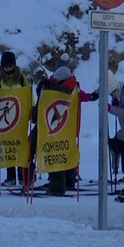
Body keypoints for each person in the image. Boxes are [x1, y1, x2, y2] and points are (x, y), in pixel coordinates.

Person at [33, 64, 100, 194]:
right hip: (69, 127)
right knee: (68, 152)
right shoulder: (72, 87)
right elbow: (83, 96)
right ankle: (69, 180)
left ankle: (61, 183)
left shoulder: (62, 90)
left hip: (59, 127)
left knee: (59, 152)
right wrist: (92, 96)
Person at [0, 51, 29, 187]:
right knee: (8, 148)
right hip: (5, 119)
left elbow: (29, 95)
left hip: (20, 118)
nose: (7, 68)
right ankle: (10, 176)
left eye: (10, 65)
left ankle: (22, 175)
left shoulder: (22, 79)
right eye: (5, 66)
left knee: (20, 146)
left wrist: (32, 109)